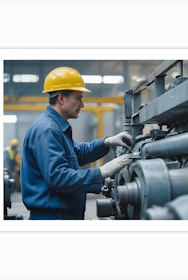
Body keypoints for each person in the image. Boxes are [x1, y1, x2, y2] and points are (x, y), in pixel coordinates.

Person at [21, 66, 133, 220]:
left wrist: (107, 142)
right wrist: (102, 171)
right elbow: (59, 177)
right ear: (61, 98)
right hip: (54, 219)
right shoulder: (48, 130)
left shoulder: (55, 127)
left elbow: (77, 152)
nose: (82, 104)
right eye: (78, 98)